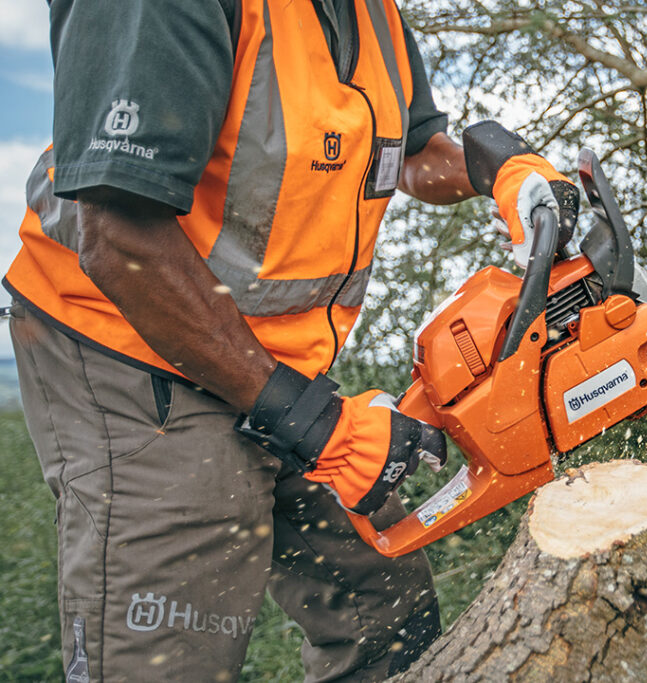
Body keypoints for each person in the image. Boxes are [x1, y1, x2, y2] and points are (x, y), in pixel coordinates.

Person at [3, 1, 578, 681]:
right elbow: (119, 235)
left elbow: (415, 150)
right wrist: (317, 426)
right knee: (171, 652)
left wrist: (501, 172)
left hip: (273, 360)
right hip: (132, 348)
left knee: (383, 605)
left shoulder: (370, 14)